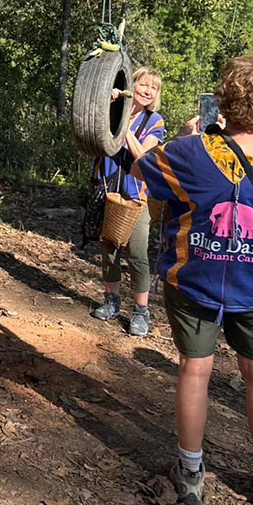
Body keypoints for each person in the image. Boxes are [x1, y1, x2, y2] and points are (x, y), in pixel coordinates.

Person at [133, 55, 253, 505]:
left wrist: (189, 139)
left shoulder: (186, 151)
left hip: (194, 280)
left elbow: (140, 173)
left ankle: (191, 475)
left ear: (222, 101)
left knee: (195, 370)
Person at [90, 67, 165, 336]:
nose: (147, 91)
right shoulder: (114, 109)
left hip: (137, 197)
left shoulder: (154, 121)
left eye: (153, 88)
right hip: (107, 189)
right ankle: (111, 301)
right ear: (131, 86)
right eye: (143, 85)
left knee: (137, 254)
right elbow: (91, 129)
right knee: (109, 250)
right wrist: (107, 103)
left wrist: (123, 126)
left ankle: (141, 312)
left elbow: (143, 156)